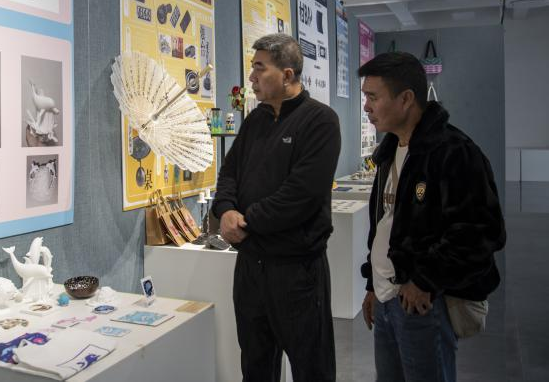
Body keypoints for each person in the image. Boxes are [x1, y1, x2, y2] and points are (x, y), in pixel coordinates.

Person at [358, 52, 506, 382]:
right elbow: (384, 226)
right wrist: (372, 285)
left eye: (373, 97)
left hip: (423, 304)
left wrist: (424, 280)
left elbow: (481, 231)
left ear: (406, 99)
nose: (366, 106)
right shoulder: (389, 151)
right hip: (386, 298)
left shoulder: (454, 151)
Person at [212, 33, 340, 382]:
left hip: (297, 271)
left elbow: (300, 195)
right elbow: (229, 173)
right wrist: (225, 210)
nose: (251, 76)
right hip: (251, 269)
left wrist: (245, 221)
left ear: (287, 75)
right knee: (255, 366)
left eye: (259, 68)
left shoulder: (320, 121)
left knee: (311, 368)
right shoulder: (256, 120)